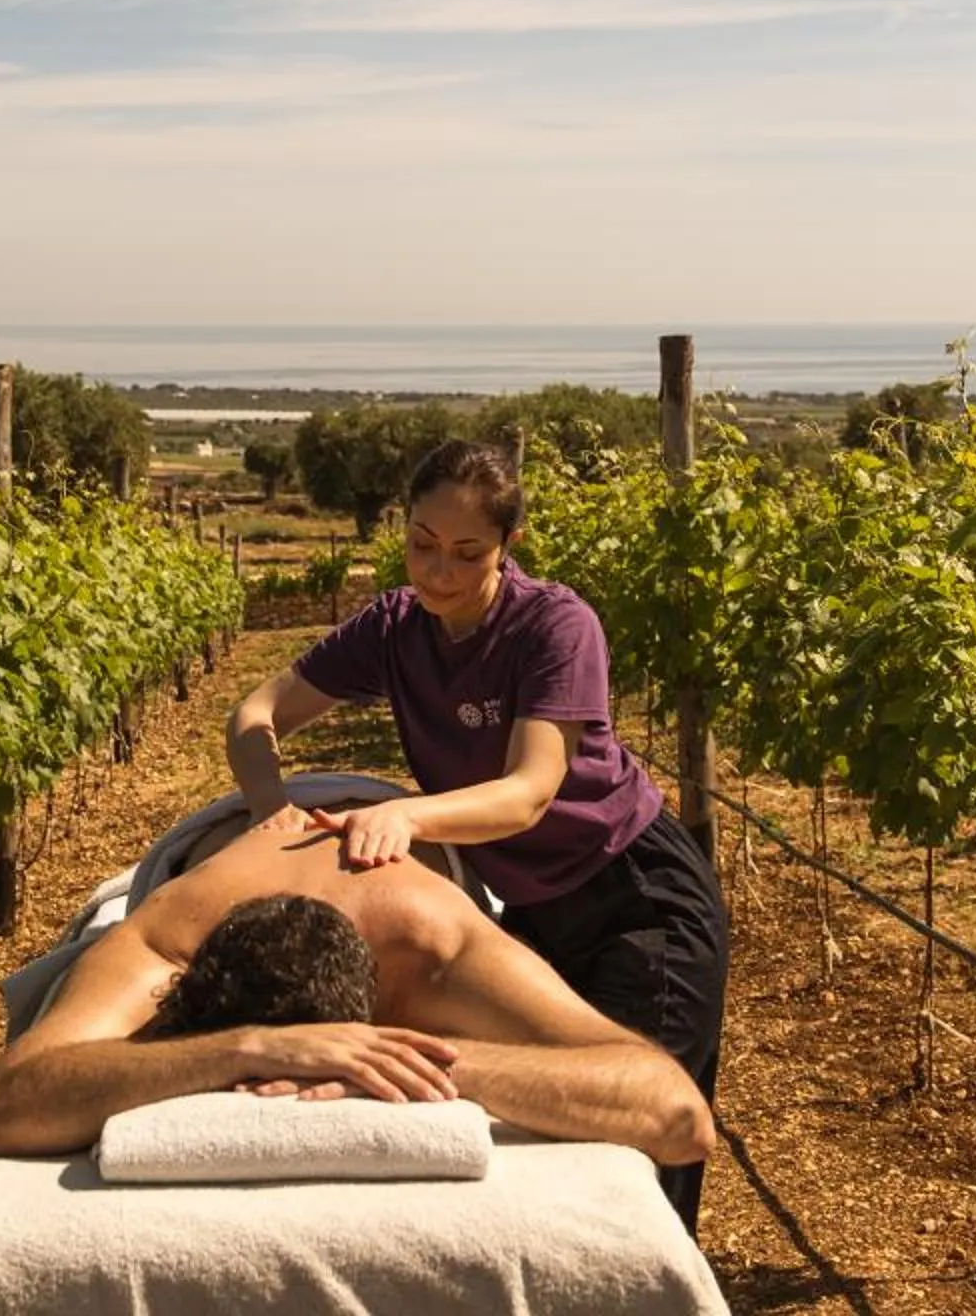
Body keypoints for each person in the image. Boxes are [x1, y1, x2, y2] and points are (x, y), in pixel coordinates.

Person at [224, 438, 730, 1229]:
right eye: (422, 544)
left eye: (466, 553)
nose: (437, 573)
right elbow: (256, 714)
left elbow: (528, 793)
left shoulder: (555, 626)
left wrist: (403, 813)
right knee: (542, 1134)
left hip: (635, 900)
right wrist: (268, 806)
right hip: (530, 909)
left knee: (631, 1146)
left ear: (508, 547)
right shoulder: (394, 626)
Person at [0, 803, 713, 1168]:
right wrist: (244, 1049)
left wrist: (407, 1058)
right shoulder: (170, 937)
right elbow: (10, 1103)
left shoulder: (440, 950)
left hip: (379, 813)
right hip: (229, 829)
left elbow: (678, 1115)